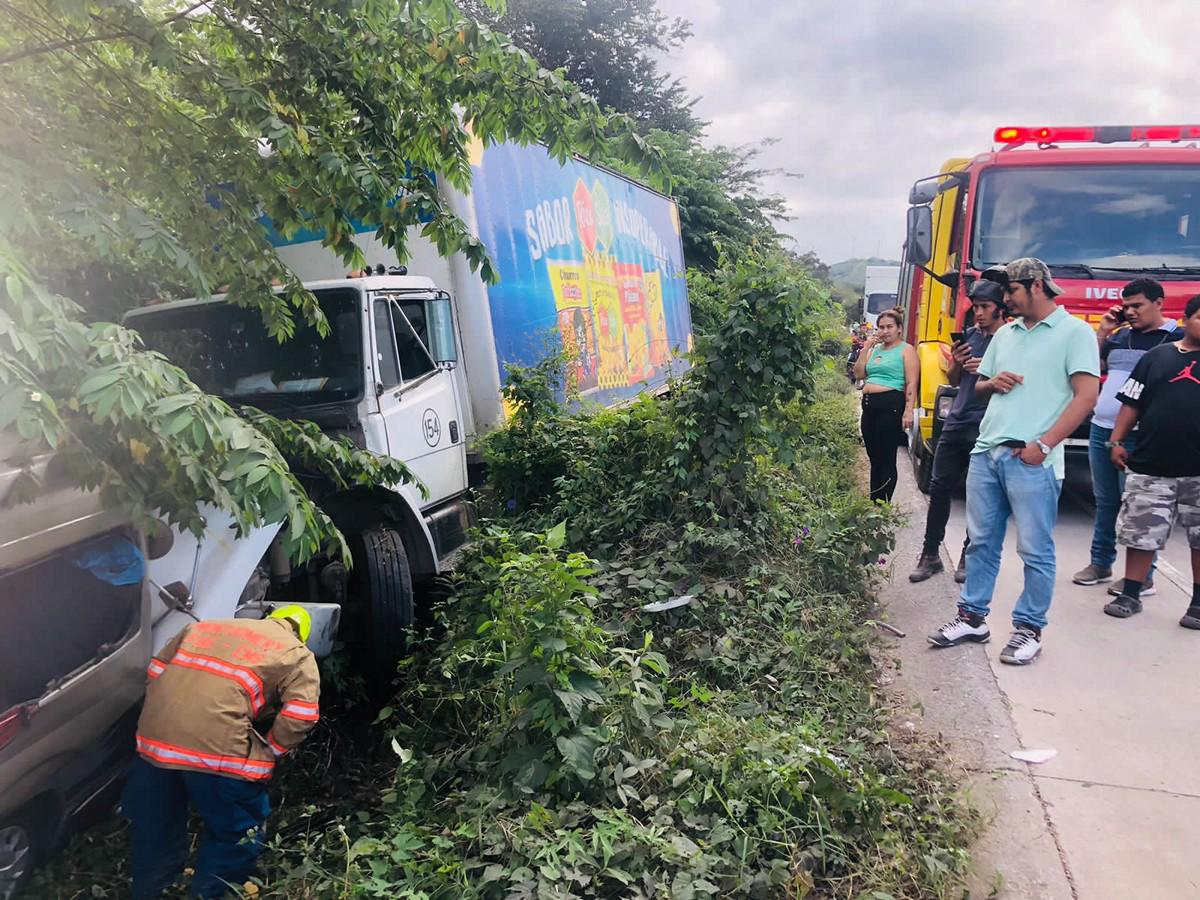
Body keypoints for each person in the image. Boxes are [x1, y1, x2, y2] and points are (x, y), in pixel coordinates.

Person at [929, 259, 1100, 665]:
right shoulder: (1006, 334)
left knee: (1034, 549)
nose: (1004, 300)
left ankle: (1028, 628)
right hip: (988, 453)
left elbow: (1086, 397)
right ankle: (972, 617)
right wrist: (994, 381)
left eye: (1012, 291)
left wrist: (1044, 444)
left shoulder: (1074, 333)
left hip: (1032, 459)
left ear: (1037, 286)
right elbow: (981, 385)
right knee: (982, 542)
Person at [123, 606, 321, 899]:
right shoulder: (297, 653)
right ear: (300, 633)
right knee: (236, 833)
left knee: (155, 826)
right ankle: (211, 894)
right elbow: (301, 714)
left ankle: (151, 891)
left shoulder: (203, 628)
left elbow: (155, 672)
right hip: (218, 754)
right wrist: (271, 749)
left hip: (155, 744)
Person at [1072, 279, 1181, 593]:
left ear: (1158, 303)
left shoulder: (1174, 339)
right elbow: (1090, 368)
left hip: (1140, 436)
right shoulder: (1120, 338)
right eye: (1127, 306)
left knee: (1140, 506)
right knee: (1105, 500)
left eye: (1138, 305)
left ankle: (1143, 577)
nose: (1131, 312)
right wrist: (1104, 332)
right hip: (1101, 429)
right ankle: (1100, 562)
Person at [1103, 294, 1200, 625]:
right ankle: (1131, 593)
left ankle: (1198, 605)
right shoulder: (1156, 357)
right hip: (1151, 463)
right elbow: (1130, 403)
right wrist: (1116, 440)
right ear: (1186, 319)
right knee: (1141, 532)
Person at [909, 275, 1007, 583]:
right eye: (975, 306)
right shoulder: (969, 335)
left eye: (984, 307)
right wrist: (958, 363)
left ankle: (968, 555)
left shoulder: (1010, 339)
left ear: (1000, 308)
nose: (978, 313)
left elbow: (1014, 382)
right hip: (957, 420)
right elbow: (952, 380)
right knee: (939, 488)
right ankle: (930, 554)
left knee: (978, 495)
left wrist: (986, 373)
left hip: (988, 424)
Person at [853, 308, 918, 502]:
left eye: (889, 326)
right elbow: (858, 374)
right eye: (881, 327)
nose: (885, 331)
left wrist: (908, 411)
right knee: (874, 457)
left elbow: (912, 383)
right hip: (869, 407)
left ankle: (884, 503)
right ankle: (874, 501)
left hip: (891, 405)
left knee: (886, 456)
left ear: (899, 328)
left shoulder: (907, 350)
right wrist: (865, 349)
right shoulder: (874, 350)